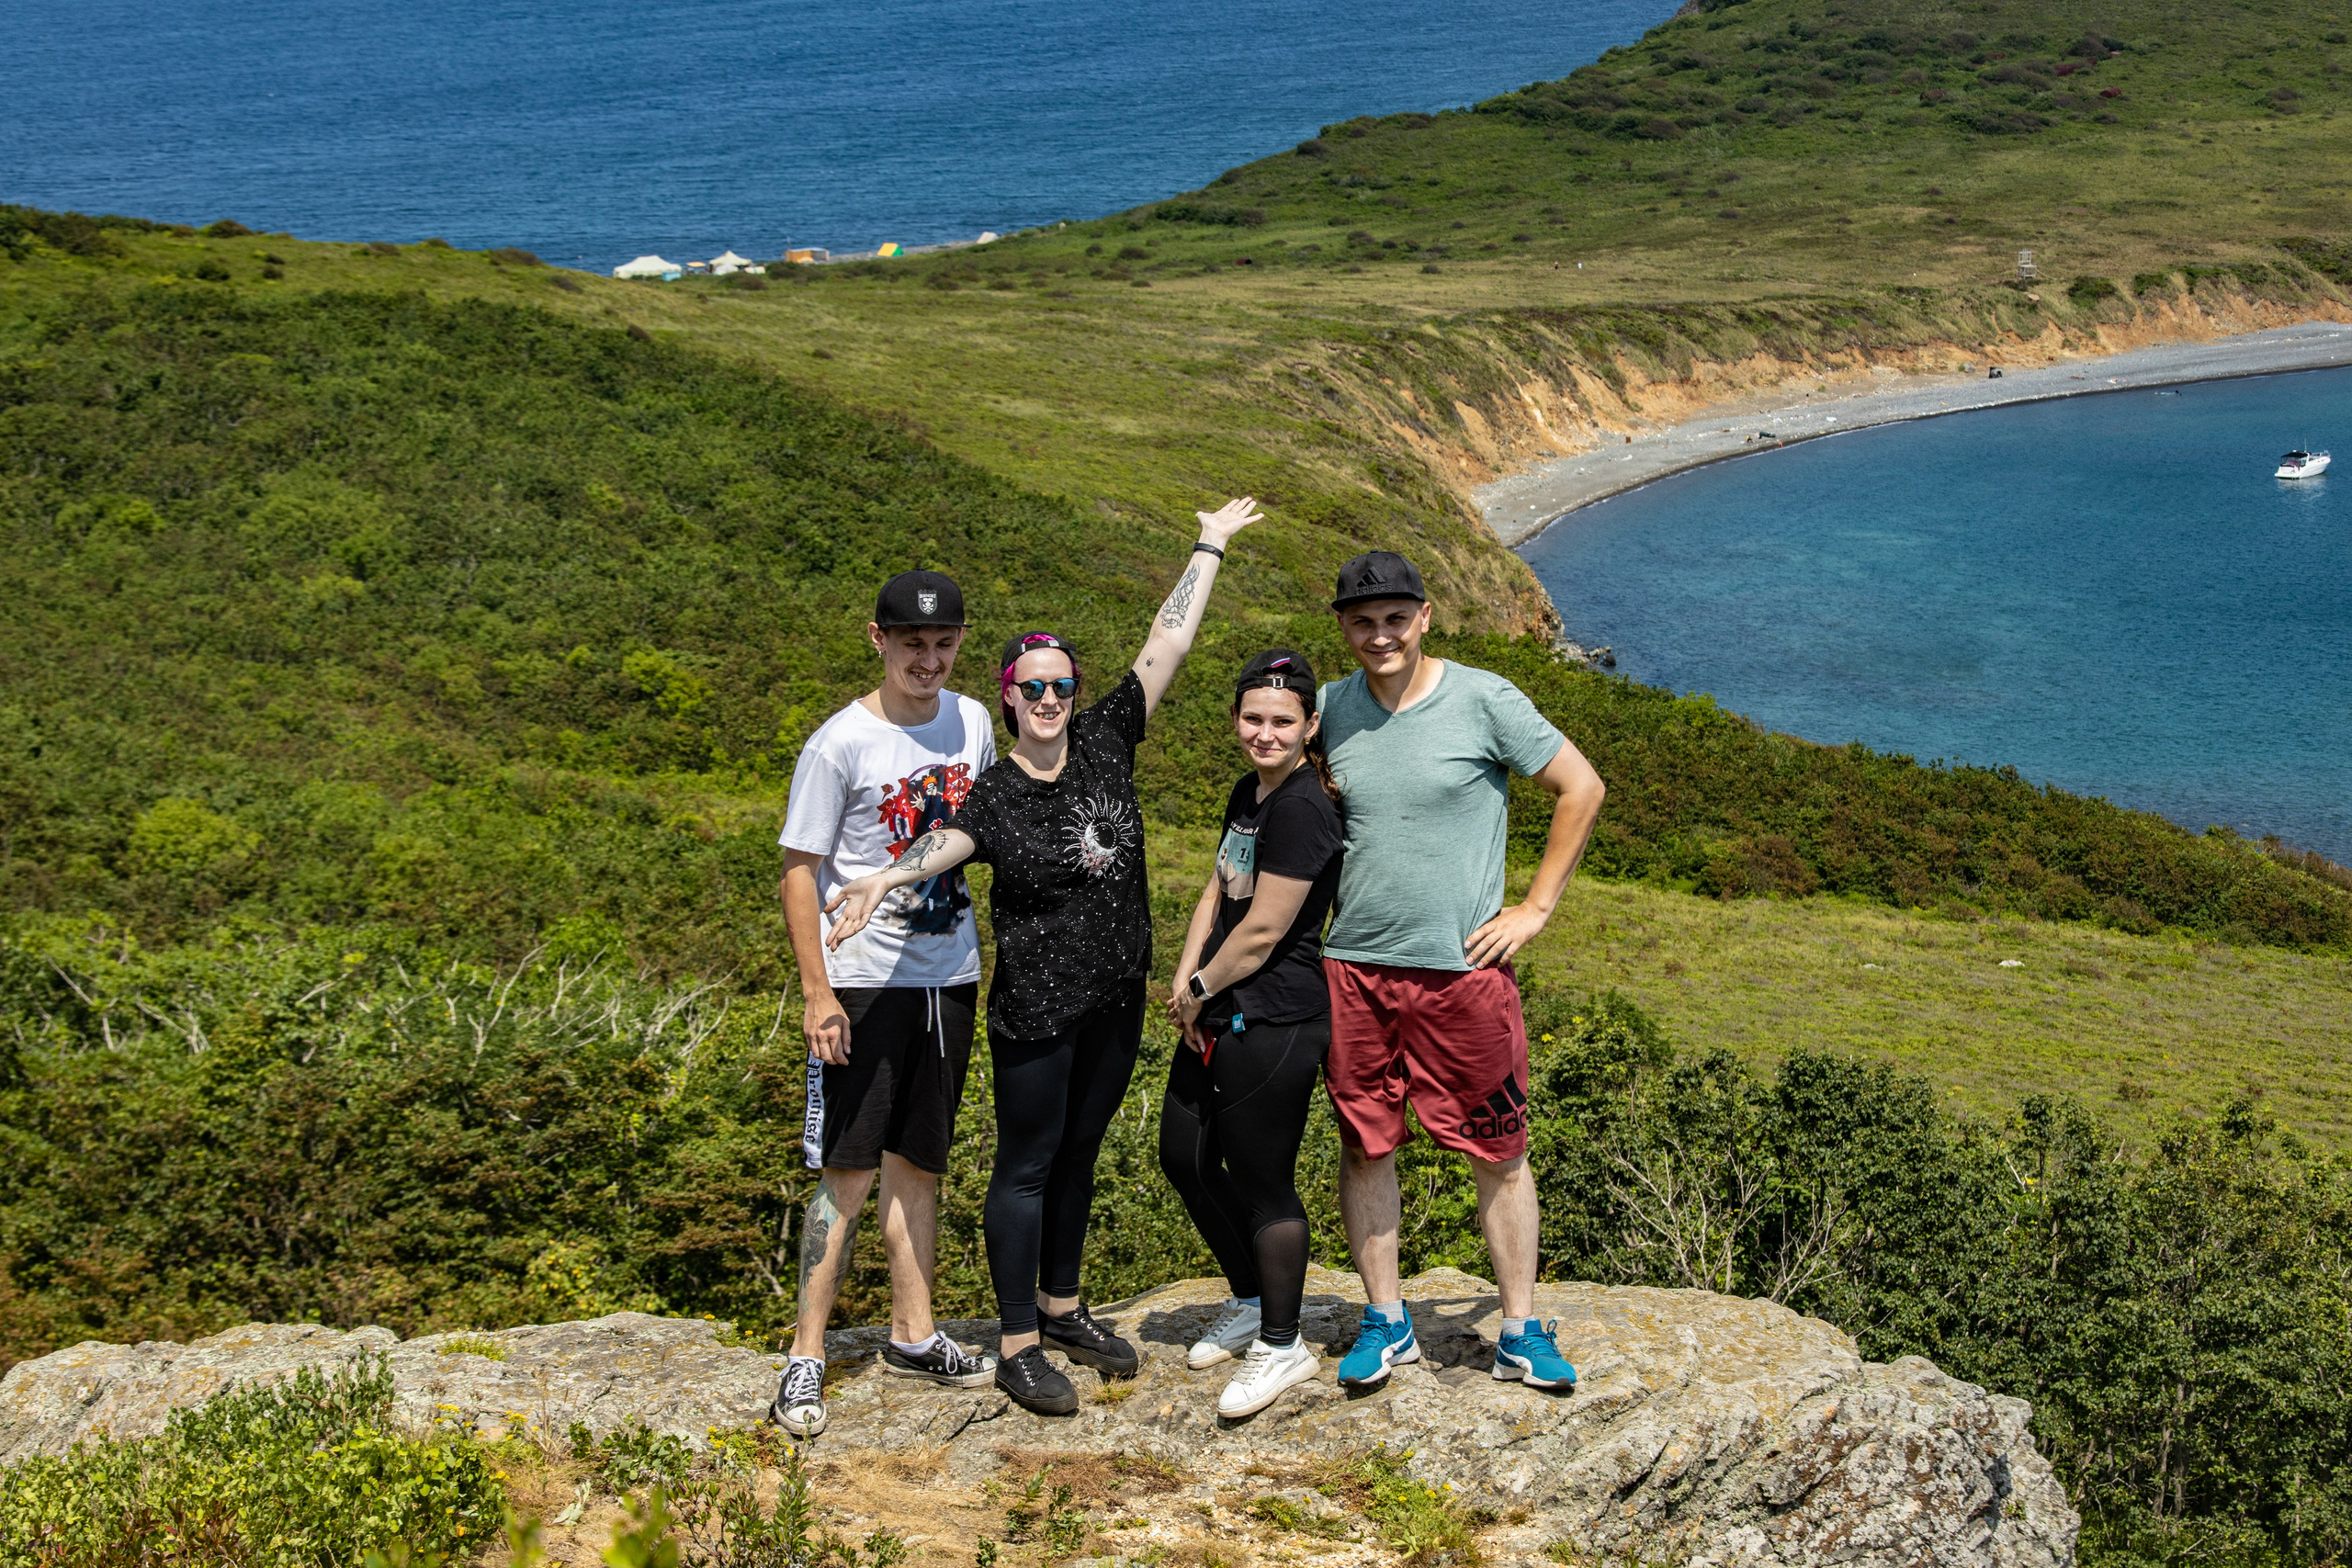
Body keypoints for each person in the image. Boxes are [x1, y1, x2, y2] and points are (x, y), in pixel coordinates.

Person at [826, 497, 1264, 1416]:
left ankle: (1065, 1308)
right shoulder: (991, 796)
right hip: (1037, 1011)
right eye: (1033, 688)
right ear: (1008, 695)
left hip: (1113, 999)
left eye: (1061, 684)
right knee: (1025, 1165)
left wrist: (1208, 546)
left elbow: (1168, 642)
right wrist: (878, 883)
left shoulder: (1107, 739)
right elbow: (938, 847)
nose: (1050, 699)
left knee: (1081, 1153)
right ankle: (1019, 1338)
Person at [1316, 551, 1607, 1393]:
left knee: (1500, 1149)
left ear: (1426, 616)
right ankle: (1387, 1320)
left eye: (1395, 618)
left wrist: (1536, 907)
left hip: (1462, 971)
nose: (1381, 635)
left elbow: (1579, 786)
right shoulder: (1328, 707)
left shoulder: (1483, 697)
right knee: (1366, 1146)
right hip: (1354, 969)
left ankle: (1518, 1327)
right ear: (1344, 627)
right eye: (1363, 621)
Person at [768, 569, 1000, 1440]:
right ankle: (806, 1354)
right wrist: (817, 991)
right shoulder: (841, 744)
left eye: (943, 644)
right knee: (848, 1167)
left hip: (949, 971)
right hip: (861, 984)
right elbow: (799, 868)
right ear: (878, 639)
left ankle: (913, 1331)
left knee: (918, 1160)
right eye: (911, 643)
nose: (928, 660)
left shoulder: (973, 720)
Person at [1159, 649, 1345, 1418]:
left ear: (1308, 726)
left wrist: (1201, 987)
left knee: (1264, 1180)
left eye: (1281, 721)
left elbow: (1266, 928)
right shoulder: (1251, 791)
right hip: (1216, 1004)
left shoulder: (1304, 806)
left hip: (1274, 1013)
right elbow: (1219, 886)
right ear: (1236, 719)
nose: (1264, 733)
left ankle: (1282, 1341)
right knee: (1185, 1155)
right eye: (1252, 718)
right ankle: (1245, 1296)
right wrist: (1185, 974)